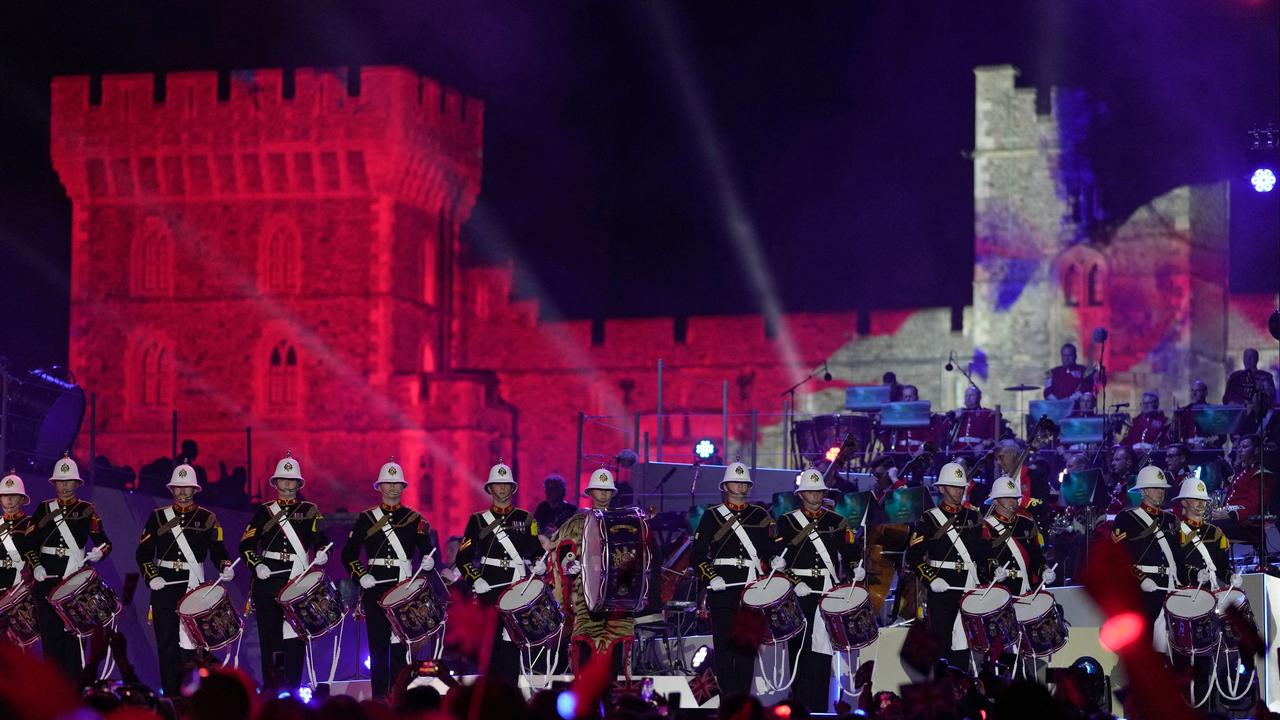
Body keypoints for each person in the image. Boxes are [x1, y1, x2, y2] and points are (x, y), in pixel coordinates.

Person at [136, 462, 234, 697]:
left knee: (195, 648)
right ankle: (171, 698)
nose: (182, 492)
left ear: (194, 490)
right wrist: (152, 576)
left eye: (186, 487)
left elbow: (218, 550)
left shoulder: (208, 518)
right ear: (171, 490)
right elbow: (143, 553)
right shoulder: (158, 517)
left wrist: (225, 566)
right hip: (164, 587)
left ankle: (195, 697)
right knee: (167, 646)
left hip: (194, 587)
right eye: (178, 487)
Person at [341, 459, 435, 698]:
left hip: (404, 589)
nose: (393, 488)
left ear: (403, 487)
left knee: (403, 649)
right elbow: (348, 554)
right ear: (380, 487)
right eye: (388, 483)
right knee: (379, 649)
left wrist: (428, 561)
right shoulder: (367, 519)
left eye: (397, 484)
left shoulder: (415, 519)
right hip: (375, 589)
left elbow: (427, 549)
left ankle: (401, 699)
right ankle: (380, 702)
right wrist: (360, 575)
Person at [239, 452, 329, 693]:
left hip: (297, 579)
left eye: (292, 481)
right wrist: (256, 564)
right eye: (283, 480)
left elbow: (321, 538)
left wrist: (322, 552)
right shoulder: (264, 512)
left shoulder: (310, 510)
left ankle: (293, 688)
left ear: (299, 484)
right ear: (275, 483)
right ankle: (272, 689)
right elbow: (246, 545)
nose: (287, 484)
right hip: (268, 579)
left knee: (298, 638)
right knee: (270, 639)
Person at [690, 461, 781, 699]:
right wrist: (711, 576)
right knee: (724, 647)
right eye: (736, 482)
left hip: (751, 588)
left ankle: (742, 701)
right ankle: (727, 700)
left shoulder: (760, 514)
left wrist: (774, 560)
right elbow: (698, 554)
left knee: (745, 649)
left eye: (744, 483)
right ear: (725, 485)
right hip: (722, 588)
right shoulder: (712, 515)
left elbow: (768, 547)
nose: (740, 486)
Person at [776, 468, 861, 713]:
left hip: (826, 590)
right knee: (799, 649)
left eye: (818, 490)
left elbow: (850, 552)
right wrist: (793, 581)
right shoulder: (788, 521)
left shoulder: (836, 521)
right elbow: (780, 559)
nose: (814, 495)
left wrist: (856, 568)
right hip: (798, 592)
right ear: (801, 494)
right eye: (810, 491)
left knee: (823, 652)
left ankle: (820, 709)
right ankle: (799, 707)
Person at [32, 452, 112, 683]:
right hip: (46, 583)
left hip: (75, 586)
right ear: (54, 483)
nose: (65, 486)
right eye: (60, 481)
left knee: (75, 644)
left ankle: (73, 698)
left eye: (69, 481)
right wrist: (36, 564)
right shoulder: (43, 509)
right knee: (51, 642)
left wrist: (100, 552)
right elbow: (30, 542)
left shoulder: (87, 510)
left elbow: (105, 542)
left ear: (77, 483)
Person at [455, 461, 540, 677]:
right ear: (490, 489)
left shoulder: (526, 518)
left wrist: (540, 563)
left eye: (506, 485)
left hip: (516, 585)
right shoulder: (477, 520)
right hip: (488, 586)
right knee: (489, 646)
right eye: (498, 485)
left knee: (513, 644)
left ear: (512, 489)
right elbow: (462, 558)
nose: (502, 489)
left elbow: (536, 551)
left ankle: (510, 697)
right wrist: (475, 579)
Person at [549, 468, 636, 675]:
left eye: (607, 490)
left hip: (616, 598)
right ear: (590, 492)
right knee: (587, 657)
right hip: (585, 598)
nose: (604, 494)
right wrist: (569, 566)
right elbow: (558, 552)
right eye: (599, 489)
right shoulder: (576, 523)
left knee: (613, 660)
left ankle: (608, 701)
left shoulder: (623, 522)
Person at [904, 462, 984, 667]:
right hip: (941, 587)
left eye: (961, 487)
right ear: (941, 488)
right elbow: (913, 556)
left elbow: (982, 553)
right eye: (953, 486)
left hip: (968, 584)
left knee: (965, 642)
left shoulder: (974, 516)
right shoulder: (929, 518)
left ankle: (963, 689)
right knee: (942, 644)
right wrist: (931, 579)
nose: (958, 491)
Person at [1110, 466, 1178, 642]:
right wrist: (1141, 578)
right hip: (1142, 587)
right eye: (1156, 488)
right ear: (1144, 491)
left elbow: (1179, 556)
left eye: (1162, 488)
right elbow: (1119, 557)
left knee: (1172, 640)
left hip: (1170, 585)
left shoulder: (1170, 520)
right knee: (1145, 638)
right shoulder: (1126, 518)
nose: (1161, 492)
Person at [982, 476, 1051, 595]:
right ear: (994, 500)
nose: (1012, 501)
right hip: (999, 589)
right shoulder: (986, 526)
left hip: (1026, 586)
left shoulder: (1027, 523)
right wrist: (993, 569)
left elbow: (1036, 554)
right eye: (1007, 497)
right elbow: (982, 556)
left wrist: (1044, 570)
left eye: (1014, 497)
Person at [1171, 476, 1236, 590]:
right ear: (1184, 502)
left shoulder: (1215, 532)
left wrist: (1230, 577)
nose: (1201, 504)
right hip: (1185, 593)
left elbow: (1222, 567)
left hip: (1211, 593)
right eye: (1196, 499)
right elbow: (1176, 566)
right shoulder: (1175, 532)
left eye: (1203, 500)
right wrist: (1195, 574)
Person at [1213, 435, 1274, 544]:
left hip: (1248, 526)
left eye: (1245, 447)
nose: (1240, 450)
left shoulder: (1260, 474)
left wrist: (1230, 514)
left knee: (1207, 529)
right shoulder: (1241, 472)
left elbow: (1256, 506)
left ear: (1256, 450)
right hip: (1233, 521)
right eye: (1239, 447)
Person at [0, 470, 38, 595]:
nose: (9, 499)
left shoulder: (30, 523)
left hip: (20, 584)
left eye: (14, 495)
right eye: (5, 495)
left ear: (22, 499)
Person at [949, 386, 998, 454]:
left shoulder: (986, 413)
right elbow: (946, 433)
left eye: (971, 395)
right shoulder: (959, 413)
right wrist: (954, 418)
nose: (968, 398)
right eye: (966, 395)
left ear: (978, 398)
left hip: (977, 449)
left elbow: (992, 437)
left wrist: (983, 445)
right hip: (958, 449)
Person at [532, 473, 576, 545]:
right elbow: (533, 528)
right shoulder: (542, 507)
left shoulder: (571, 509)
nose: (549, 491)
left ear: (561, 490)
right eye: (547, 488)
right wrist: (543, 532)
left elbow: (575, 532)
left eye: (553, 488)